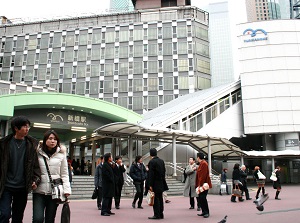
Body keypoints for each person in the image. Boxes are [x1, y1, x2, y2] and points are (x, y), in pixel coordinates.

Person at [0, 116, 41, 223]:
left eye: (28, 127)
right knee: (4, 214)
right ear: (16, 128)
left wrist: (35, 180)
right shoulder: (4, 144)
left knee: (17, 217)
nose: (27, 129)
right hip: (6, 186)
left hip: (22, 187)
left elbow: (35, 166)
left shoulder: (31, 145)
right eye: (24, 126)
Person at [32, 129, 71, 223]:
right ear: (45, 140)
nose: (53, 141)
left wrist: (67, 190)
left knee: (50, 219)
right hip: (39, 191)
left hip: (54, 192)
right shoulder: (37, 154)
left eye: (55, 139)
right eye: (50, 138)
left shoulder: (61, 156)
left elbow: (64, 174)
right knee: (38, 219)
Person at [148, 148, 169, 220]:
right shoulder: (161, 161)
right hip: (161, 182)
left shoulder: (152, 162)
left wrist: (150, 184)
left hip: (155, 183)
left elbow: (151, 174)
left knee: (156, 199)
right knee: (160, 198)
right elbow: (164, 171)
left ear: (150, 154)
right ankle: (161, 213)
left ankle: (156, 214)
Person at [195, 152, 212, 218]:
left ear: (198, 157)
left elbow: (203, 175)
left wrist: (200, 184)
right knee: (201, 198)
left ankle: (206, 212)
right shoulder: (202, 163)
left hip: (203, 184)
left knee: (203, 198)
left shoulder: (204, 163)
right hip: (202, 184)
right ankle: (204, 211)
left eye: (197, 157)